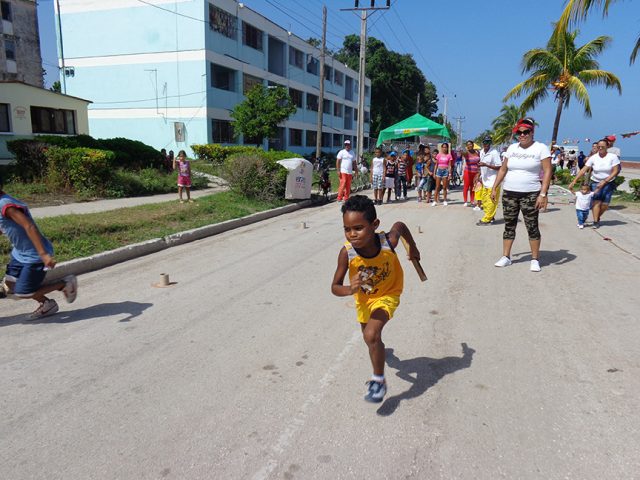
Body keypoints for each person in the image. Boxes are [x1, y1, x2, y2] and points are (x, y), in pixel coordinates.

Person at [331, 195, 420, 403]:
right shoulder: (347, 254)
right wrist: (350, 289)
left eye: (358, 228)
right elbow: (334, 287)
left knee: (371, 335)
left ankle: (378, 381)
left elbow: (400, 225)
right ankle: (381, 352)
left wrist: (413, 247)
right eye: (347, 229)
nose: (352, 234)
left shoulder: (388, 242)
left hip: (388, 294)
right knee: (370, 339)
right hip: (364, 300)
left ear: (374, 225)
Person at [0, 187, 78, 319]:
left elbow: (29, 226)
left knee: (22, 293)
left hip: (34, 256)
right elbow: (5, 225)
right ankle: (47, 304)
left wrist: (43, 255)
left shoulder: (5, 205)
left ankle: (64, 284)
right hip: (19, 253)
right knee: (10, 285)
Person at [491, 117, 552, 272]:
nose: (522, 135)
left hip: (530, 193)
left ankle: (534, 259)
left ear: (532, 133)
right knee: (509, 225)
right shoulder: (512, 148)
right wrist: (494, 187)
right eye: (519, 132)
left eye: (526, 132)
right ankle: (506, 256)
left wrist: (543, 194)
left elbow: (547, 171)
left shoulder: (540, 148)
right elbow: (503, 169)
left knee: (532, 226)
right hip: (510, 192)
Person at [568, 138, 620, 229]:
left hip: (608, 182)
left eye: (602, 147)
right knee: (596, 202)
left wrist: (605, 181)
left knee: (605, 204)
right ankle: (596, 221)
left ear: (607, 147)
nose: (600, 148)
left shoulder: (612, 157)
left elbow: (615, 171)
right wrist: (574, 180)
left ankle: (598, 216)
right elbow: (584, 169)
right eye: (598, 147)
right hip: (595, 182)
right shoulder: (593, 157)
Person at [476, 136, 502, 225]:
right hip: (485, 180)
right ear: (482, 143)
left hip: (493, 181)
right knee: (484, 200)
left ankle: (486, 219)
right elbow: (481, 165)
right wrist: (478, 175)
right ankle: (491, 216)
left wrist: (486, 165)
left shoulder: (494, 153)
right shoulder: (481, 152)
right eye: (485, 142)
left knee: (491, 200)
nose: (486, 144)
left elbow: (499, 166)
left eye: (488, 142)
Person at [461, 140, 480, 207]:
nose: (470, 145)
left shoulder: (477, 152)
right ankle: (465, 201)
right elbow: (463, 153)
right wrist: (462, 151)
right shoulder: (466, 153)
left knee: (473, 187)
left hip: (476, 172)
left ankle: (472, 200)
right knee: (466, 186)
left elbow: (479, 161)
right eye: (468, 144)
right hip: (468, 172)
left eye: (471, 144)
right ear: (467, 146)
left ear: (473, 145)